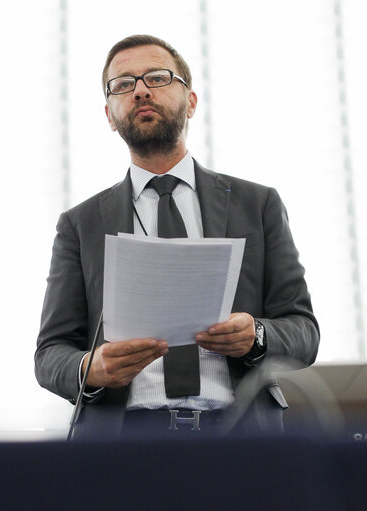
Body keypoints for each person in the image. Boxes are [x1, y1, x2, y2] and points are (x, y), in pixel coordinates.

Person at [35, 34, 319, 439]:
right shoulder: (79, 225)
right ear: (109, 115)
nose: (140, 91)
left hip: (240, 439)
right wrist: (91, 369)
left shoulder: (258, 205)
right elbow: (50, 355)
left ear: (191, 102)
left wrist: (254, 335)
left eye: (156, 77)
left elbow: (304, 332)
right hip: (123, 445)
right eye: (123, 84)